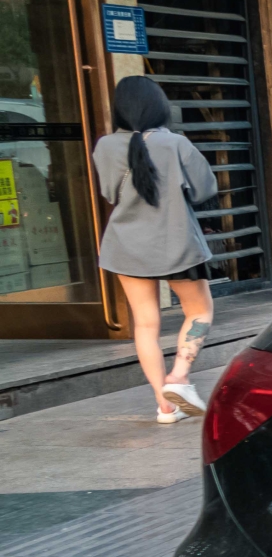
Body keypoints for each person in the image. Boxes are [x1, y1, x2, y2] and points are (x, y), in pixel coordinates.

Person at [94, 76, 218, 424]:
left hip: (125, 247)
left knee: (145, 324)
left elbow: (108, 193)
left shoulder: (104, 146)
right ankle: (179, 376)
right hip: (177, 242)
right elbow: (205, 188)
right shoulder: (175, 143)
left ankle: (164, 405)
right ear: (159, 106)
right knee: (199, 310)